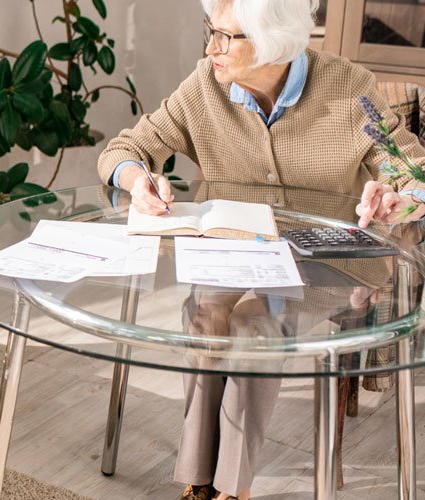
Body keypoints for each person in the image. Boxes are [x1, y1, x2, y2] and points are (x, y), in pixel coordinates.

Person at [96, 0, 425, 498]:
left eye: (228, 37)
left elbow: (411, 170)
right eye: (211, 31)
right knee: (207, 315)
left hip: (330, 261)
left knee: (255, 323)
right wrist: (137, 178)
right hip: (232, 253)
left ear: (275, 41)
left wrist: (399, 200)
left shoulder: (349, 86)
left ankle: (233, 489)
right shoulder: (204, 85)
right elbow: (122, 150)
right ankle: (197, 482)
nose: (212, 48)